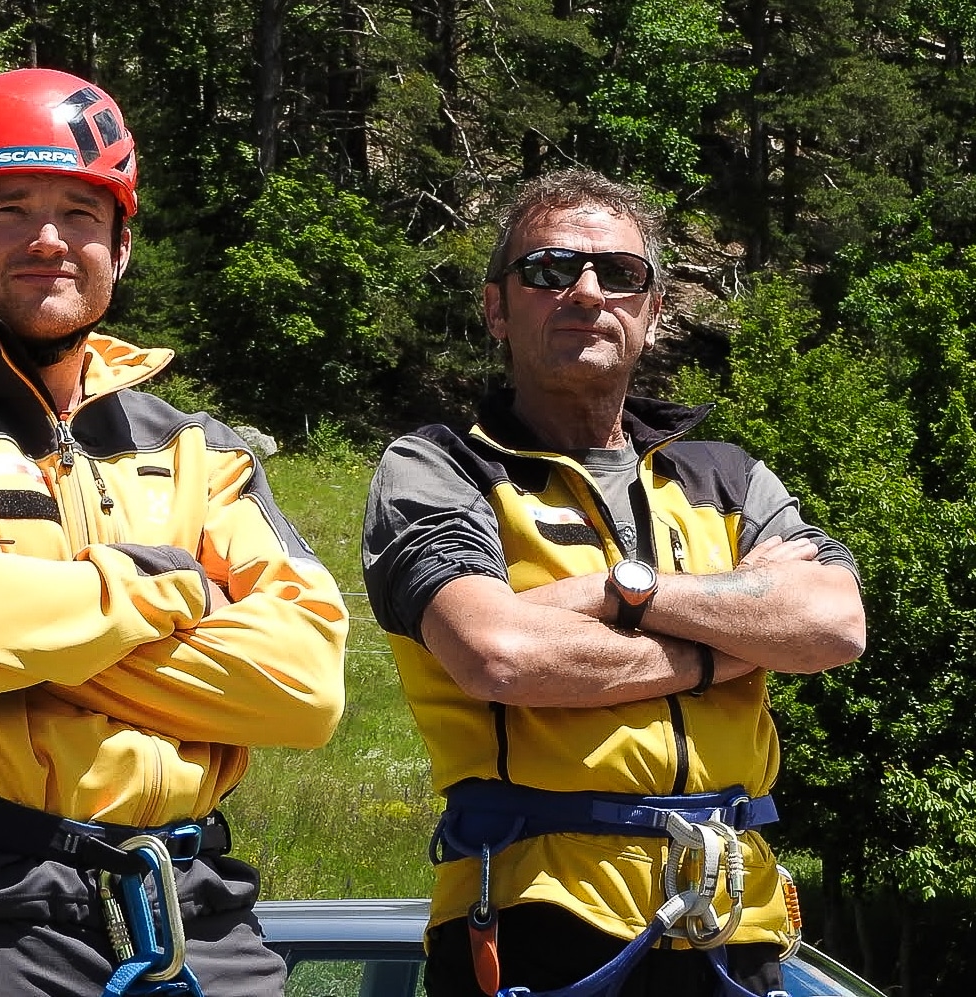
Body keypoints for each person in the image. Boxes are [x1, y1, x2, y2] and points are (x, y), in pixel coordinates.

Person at [0, 67, 348, 997]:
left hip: (206, 913)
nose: (49, 238)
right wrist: (171, 589)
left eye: (82, 213)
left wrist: (28, 638)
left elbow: (306, 685)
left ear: (121, 247)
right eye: (7, 208)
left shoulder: (197, 447)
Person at [361, 168, 866, 997]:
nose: (588, 292)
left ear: (655, 310)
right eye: (550, 270)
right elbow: (499, 652)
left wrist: (623, 592)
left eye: (620, 274)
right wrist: (725, 644)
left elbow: (832, 622)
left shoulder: (727, 475)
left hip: (735, 923)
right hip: (533, 918)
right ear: (496, 308)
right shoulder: (439, 468)